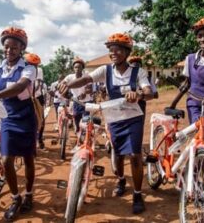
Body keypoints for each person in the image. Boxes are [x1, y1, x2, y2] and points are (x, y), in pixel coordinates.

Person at [59, 33, 153, 214]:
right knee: (117, 154)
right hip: (115, 116)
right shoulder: (105, 70)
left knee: (134, 155)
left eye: (117, 49)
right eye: (111, 50)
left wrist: (139, 94)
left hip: (134, 118)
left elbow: (148, 91)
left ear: (126, 52)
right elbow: (86, 79)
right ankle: (120, 179)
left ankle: (137, 193)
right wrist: (69, 85)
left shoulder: (137, 72)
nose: (113, 53)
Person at [0, 27, 37, 221]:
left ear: (21, 48)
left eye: (14, 47)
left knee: (28, 159)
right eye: (6, 47)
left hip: (26, 116)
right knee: (6, 160)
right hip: (7, 117)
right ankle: (16, 198)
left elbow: (19, 86)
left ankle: (28, 194)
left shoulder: (28, 67)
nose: (9, 50)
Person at [63, 57, 93, 133]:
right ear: (73, 68)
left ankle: (86, 136)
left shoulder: (86, 76)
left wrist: (85, 93)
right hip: (76, 102)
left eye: (79, 67)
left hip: (87, 102)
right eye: (75, 67)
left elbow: (90, 89)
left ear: (82, 68)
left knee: (86, 120)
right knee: (76, 119)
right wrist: (63, 90)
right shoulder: (70, 77)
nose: (77, 69)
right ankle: (79, 133)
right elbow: (63, 84)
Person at [24, 53, 47, 149]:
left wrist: (31, 92)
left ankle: (40, 139)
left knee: (40, 118)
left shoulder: (39, 70)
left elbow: (38, 84)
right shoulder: (22, 69)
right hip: (25, 97)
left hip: (36, 97)